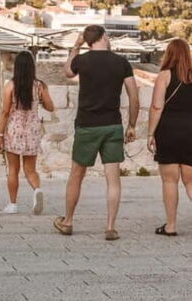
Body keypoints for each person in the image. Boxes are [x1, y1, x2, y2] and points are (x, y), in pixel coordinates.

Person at [53, 25, 139, 241]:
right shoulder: (121, 62)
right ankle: (110, 227)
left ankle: (68, 221)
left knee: (76, 174)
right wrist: (132, 125)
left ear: (88, 41)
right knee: (113, 177)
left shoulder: (83, 60)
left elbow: (68, 72)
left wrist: (75, 46)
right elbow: (134, 97)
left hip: (87, 124)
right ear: (104, 37)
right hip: (112, 125)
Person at [147, 39, 192, 238]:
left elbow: (157, 107)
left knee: (170, 180)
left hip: (169, 129)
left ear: (169, 54)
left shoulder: (165, 76)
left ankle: (171, 225)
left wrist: (150, 133)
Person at [0, 51, 55, 215]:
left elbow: (5, 112)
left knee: (13, 169)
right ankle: (36, 190)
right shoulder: (39, 86)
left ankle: (13, 204)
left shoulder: (10, 86)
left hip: (14, 130)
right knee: (30, 169)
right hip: (33, 130)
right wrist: (41, 100)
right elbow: (51, 107)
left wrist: (0, 135)